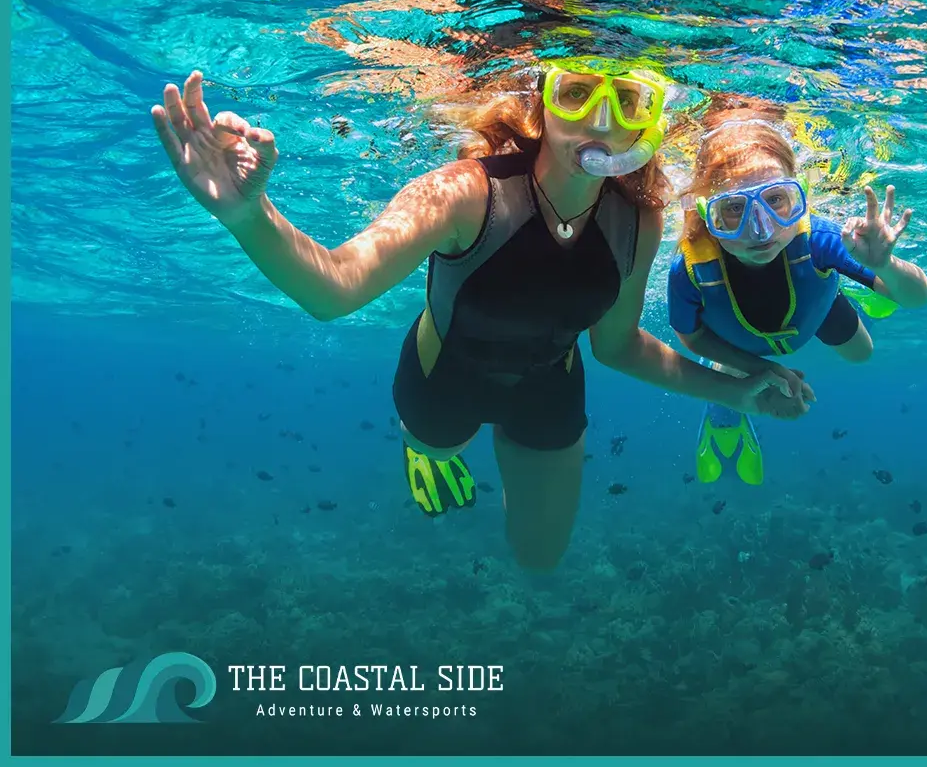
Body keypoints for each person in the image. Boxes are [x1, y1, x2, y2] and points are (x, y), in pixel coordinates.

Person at [151, 60, 815, 572]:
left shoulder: (639, 219)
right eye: (577, 93)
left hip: (550, 386)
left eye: (627, 101)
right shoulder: (466, 191)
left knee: (540, 558)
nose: (601, 120)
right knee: (438, 445)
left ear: (646, 119)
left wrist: (740, 391)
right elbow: (335, 289)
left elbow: (617, 348)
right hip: (444, 378)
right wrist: (247, 214)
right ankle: (423, 446)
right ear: (540, 105)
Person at [667, 101, 927, 486]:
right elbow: (690, 338)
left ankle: (855, 282)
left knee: (862, 354)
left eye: (776, 200)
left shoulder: (821, 239)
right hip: (738, 341)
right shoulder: (690, 269)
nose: (761, 231)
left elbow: (917, 298)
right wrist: (761, 370)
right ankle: (724, 403)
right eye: (734, 209)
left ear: (801, 197)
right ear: (708, 215)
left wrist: (885, 265)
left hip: (814, 307)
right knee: (739, 366)